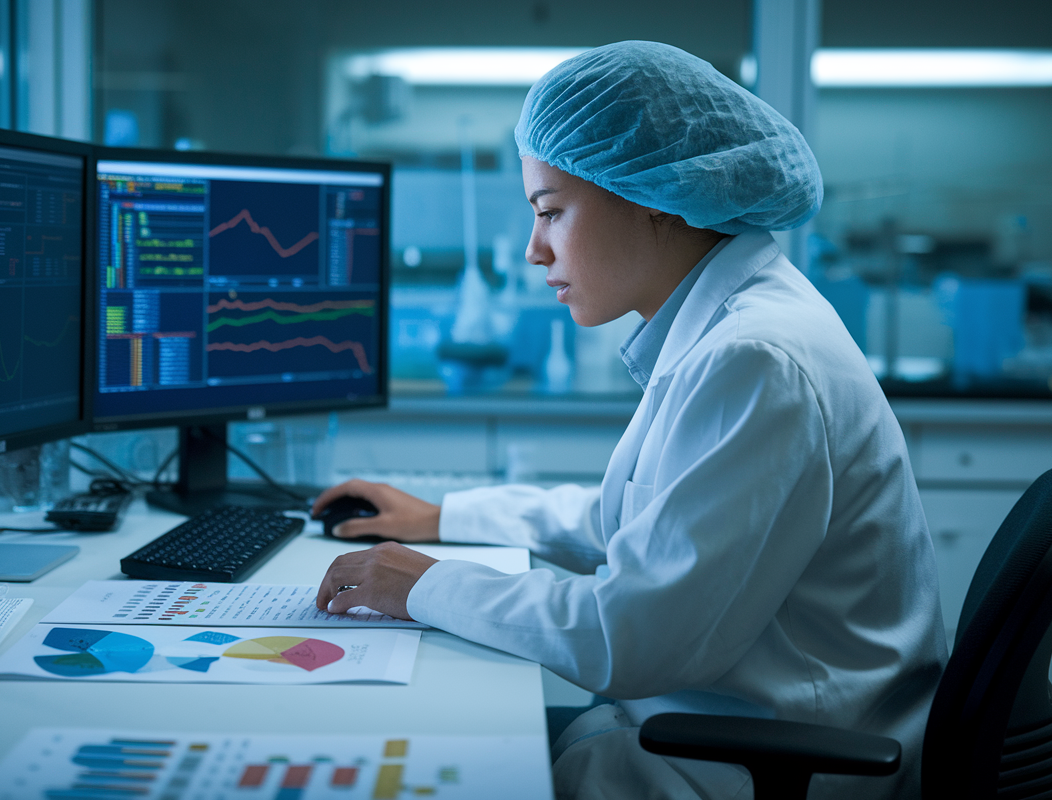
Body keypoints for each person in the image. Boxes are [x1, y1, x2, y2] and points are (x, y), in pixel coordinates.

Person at [314, 41, 947, 800]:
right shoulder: (730, 324)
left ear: (652, 194)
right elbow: (639, 520)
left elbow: (629, 637)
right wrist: (445, 514)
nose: (533, 249)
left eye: (551, 212)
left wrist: (426, 585)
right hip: (733, 727)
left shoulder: (756, 357)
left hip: (773, 761)